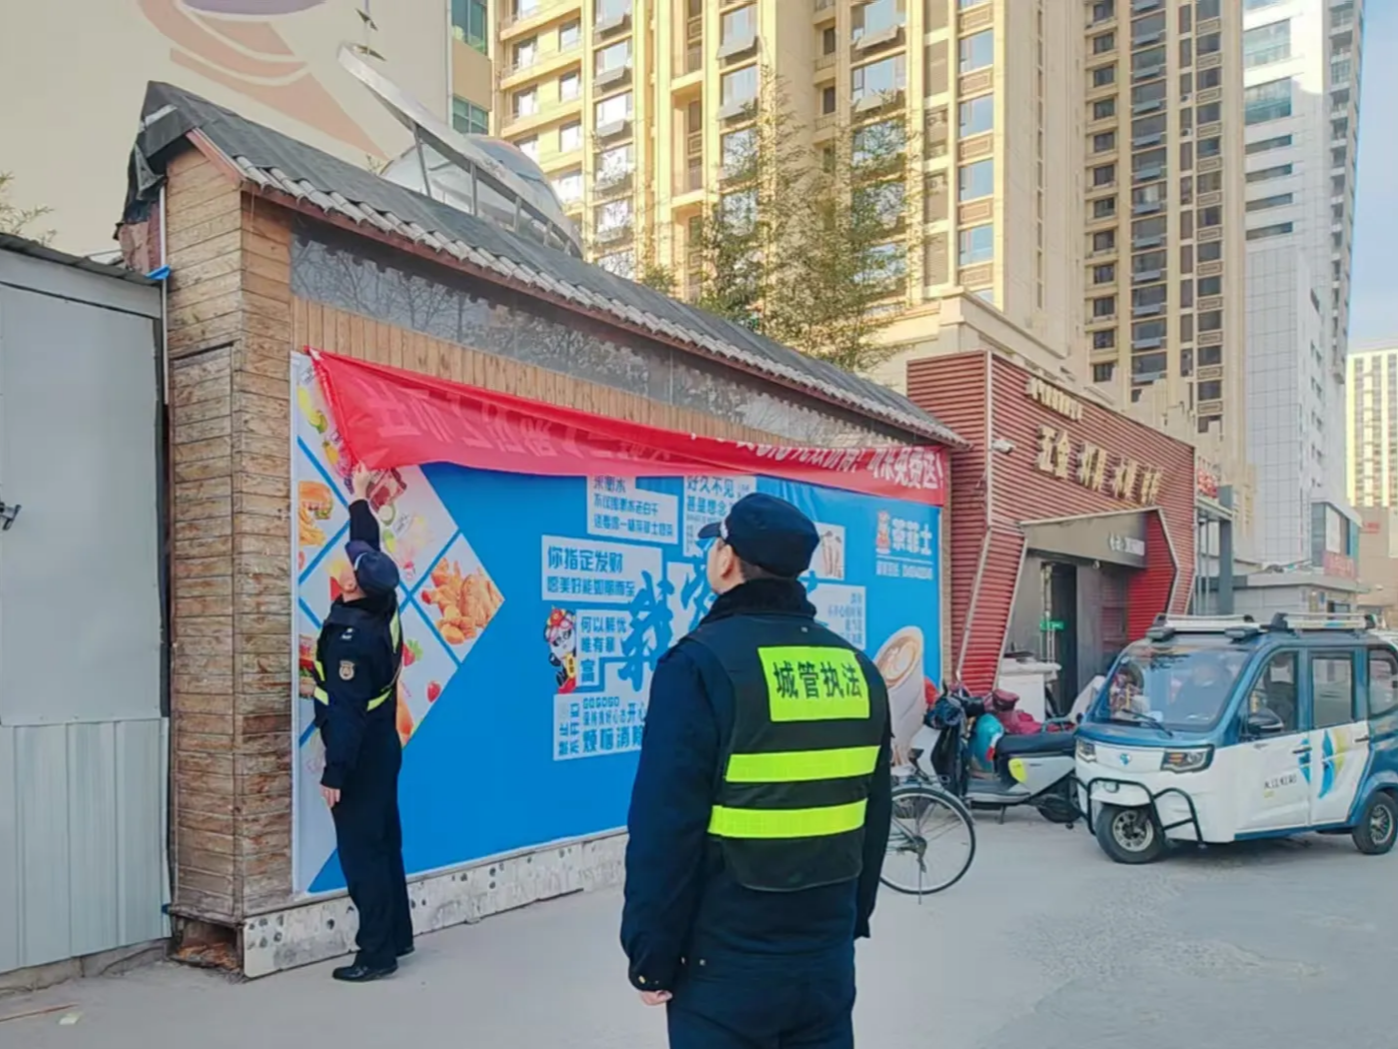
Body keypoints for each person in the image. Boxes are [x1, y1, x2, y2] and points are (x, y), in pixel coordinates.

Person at [621, 492, 893, 1049]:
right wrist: (851, 920)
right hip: (826, 952)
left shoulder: (697, 664)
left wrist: (651, 954)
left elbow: (666, 826)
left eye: (715, 546)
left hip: (725, 960)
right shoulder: (856, 668)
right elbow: (875, 813)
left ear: (726, 559)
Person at [306, 463, 413, 982]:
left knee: (361, 853)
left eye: (350, 566)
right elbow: (368, 547)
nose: (346, 563)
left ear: (351, 584)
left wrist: (335, 774)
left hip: (361, 755)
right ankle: (398, 935)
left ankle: (375, 954)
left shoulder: (352, 640)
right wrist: (359, 498)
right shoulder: (383, 602)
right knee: (385, 842)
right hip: (384, 746)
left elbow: (346, 714)